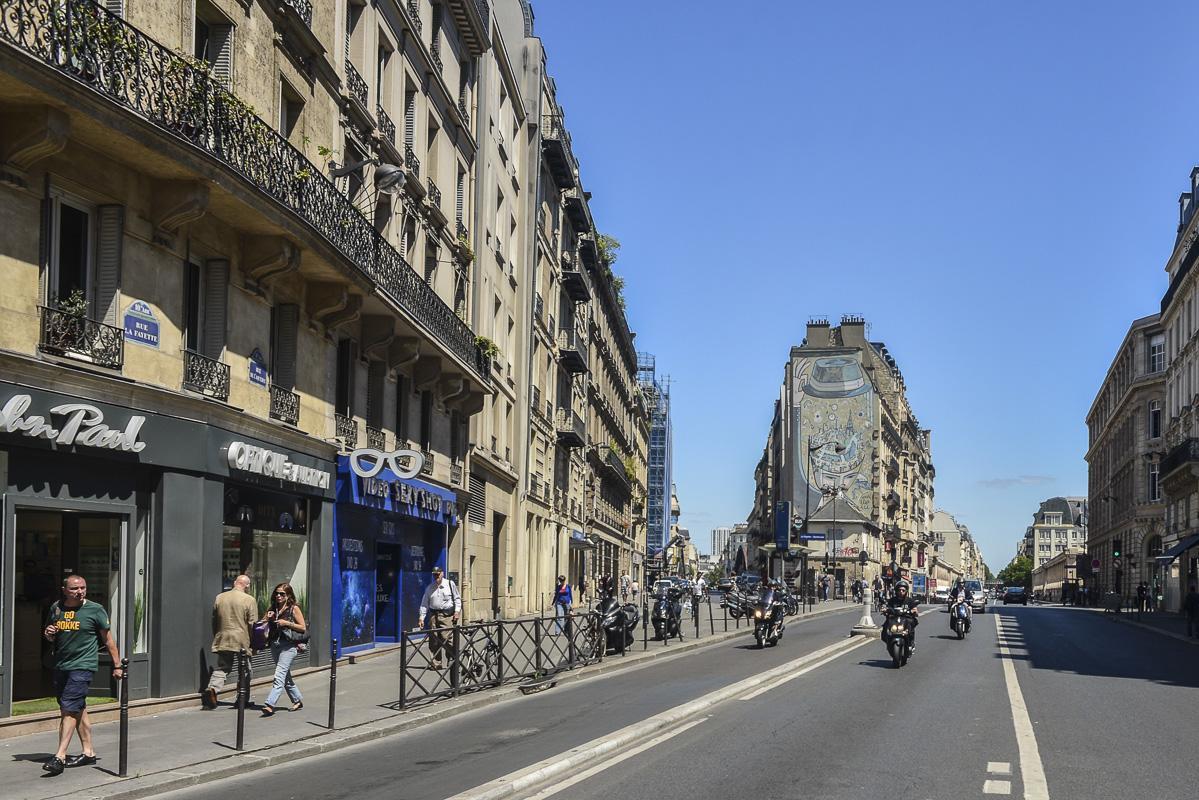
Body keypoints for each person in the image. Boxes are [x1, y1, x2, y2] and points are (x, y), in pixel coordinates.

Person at [41, 575, 124, 776]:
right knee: (77, 708)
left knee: (68, 709)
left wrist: (117, 665)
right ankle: (88, 752)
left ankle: (59, 756)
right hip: (61, 664)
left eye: (83, 588)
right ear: (64, 590)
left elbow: (108, 640)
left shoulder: (95, 609)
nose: (80, 591)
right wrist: (49, 633)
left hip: (83, 665)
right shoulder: (57, 608)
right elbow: (49, 634)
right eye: (75, 588)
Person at [203, 574, 258, 710]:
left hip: (223, 637)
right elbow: (252, 624)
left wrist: (217, 634)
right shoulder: (249, 599)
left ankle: (213, 689)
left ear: (235, 583)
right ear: (247, 585)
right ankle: (242, 699)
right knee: (245, 670)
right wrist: (254, 643)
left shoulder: (220, 597)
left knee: (223, 667)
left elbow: (214, 620)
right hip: (242, 639)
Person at [259, 582, 306, 716]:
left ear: (288, 595)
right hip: (275, 645)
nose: (278, 596)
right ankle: (297, 700)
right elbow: (263, 625)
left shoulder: (294, 608)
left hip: (289, 647)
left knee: (279, 675)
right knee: (285, 676)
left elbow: (303, 627)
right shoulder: (273, 608)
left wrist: (286, 623)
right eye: (276, 593)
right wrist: (266, 619)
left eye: (282, 594)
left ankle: (269, 704)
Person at [418, 566, 461, 669]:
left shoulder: (450, 584)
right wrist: (421, 618)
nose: (436, 576)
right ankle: (436, 663)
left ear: (442, 573)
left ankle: (452, 658)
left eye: (438, 574)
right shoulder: (430, 588)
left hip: (446, 615)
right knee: (434, 640)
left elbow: (457, 599)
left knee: (447, 638)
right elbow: (424, 603)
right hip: (433, 615)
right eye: (434, 574)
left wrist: (457, 612)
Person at [884, 579, 920, 652]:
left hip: (906, 619)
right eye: (899, 590)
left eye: (903, 590)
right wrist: (885, 610)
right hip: (894, 619)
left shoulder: (909, 600)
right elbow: (887, 607)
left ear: (906, 591)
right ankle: (888, 642)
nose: (901, 592)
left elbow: (915, 611)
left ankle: (910, 643)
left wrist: (914, 611)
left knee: (911, 625)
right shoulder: (892, 600)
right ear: (896, 591)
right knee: (885, 628)